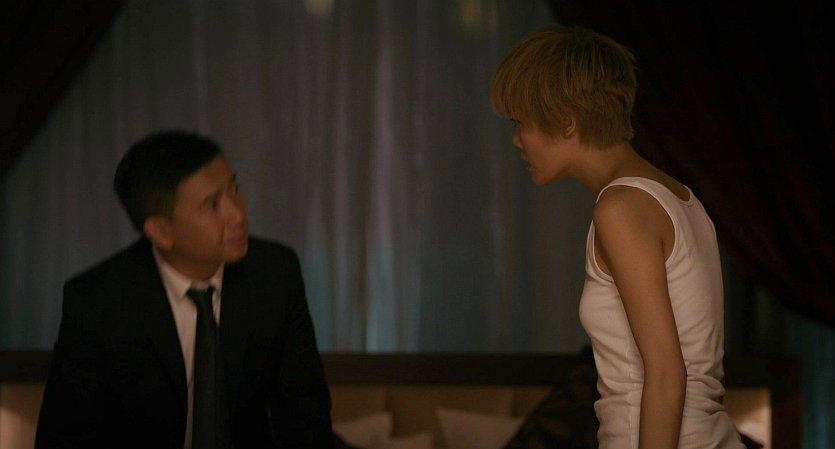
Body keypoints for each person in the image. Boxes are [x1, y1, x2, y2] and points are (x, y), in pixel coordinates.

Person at [491, 25, 745, 449]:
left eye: (522, 122)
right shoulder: (680, 198)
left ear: (566, 122)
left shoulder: (621, 208)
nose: (517, 140)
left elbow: (667, 373)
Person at [36, 130, 334, 449]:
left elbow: (306, 414)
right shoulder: (99, 300)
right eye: (212, 205)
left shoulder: (273, 273)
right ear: (162, 231)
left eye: (235, 189)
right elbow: (66, 436)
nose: (238, 215)